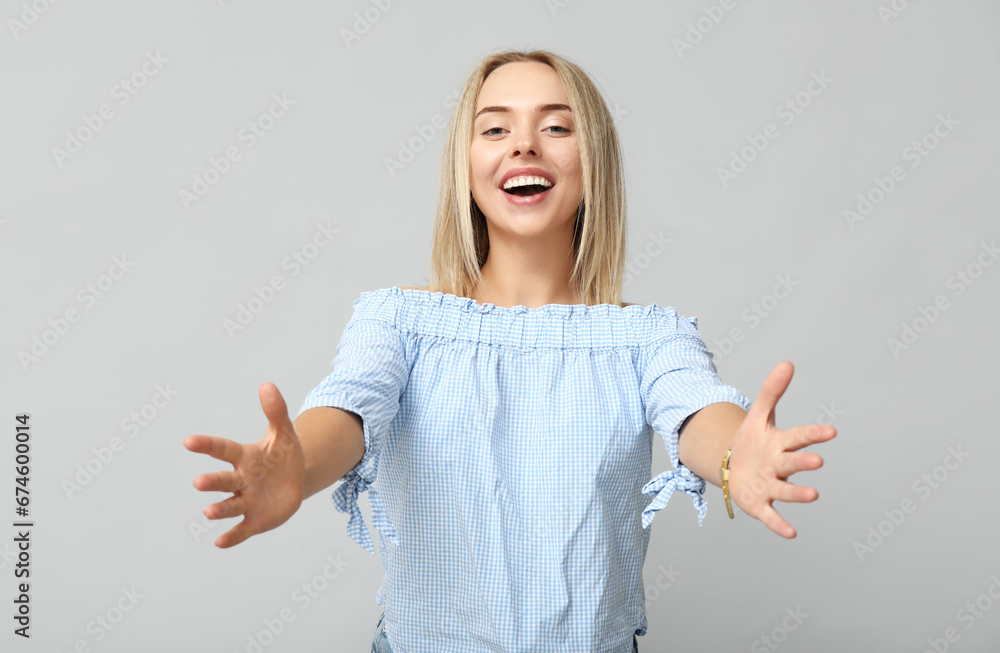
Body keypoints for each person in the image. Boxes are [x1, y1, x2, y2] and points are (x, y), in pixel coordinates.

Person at [183, 49, 837, 653]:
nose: (523, 143)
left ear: (595, 158)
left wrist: (733, 454)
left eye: (556, 126)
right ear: (464, 165)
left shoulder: (648, 337)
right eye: (495, 128)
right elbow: (350, 408)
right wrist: (297, 468)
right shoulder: (399, 321)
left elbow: (696, 410)